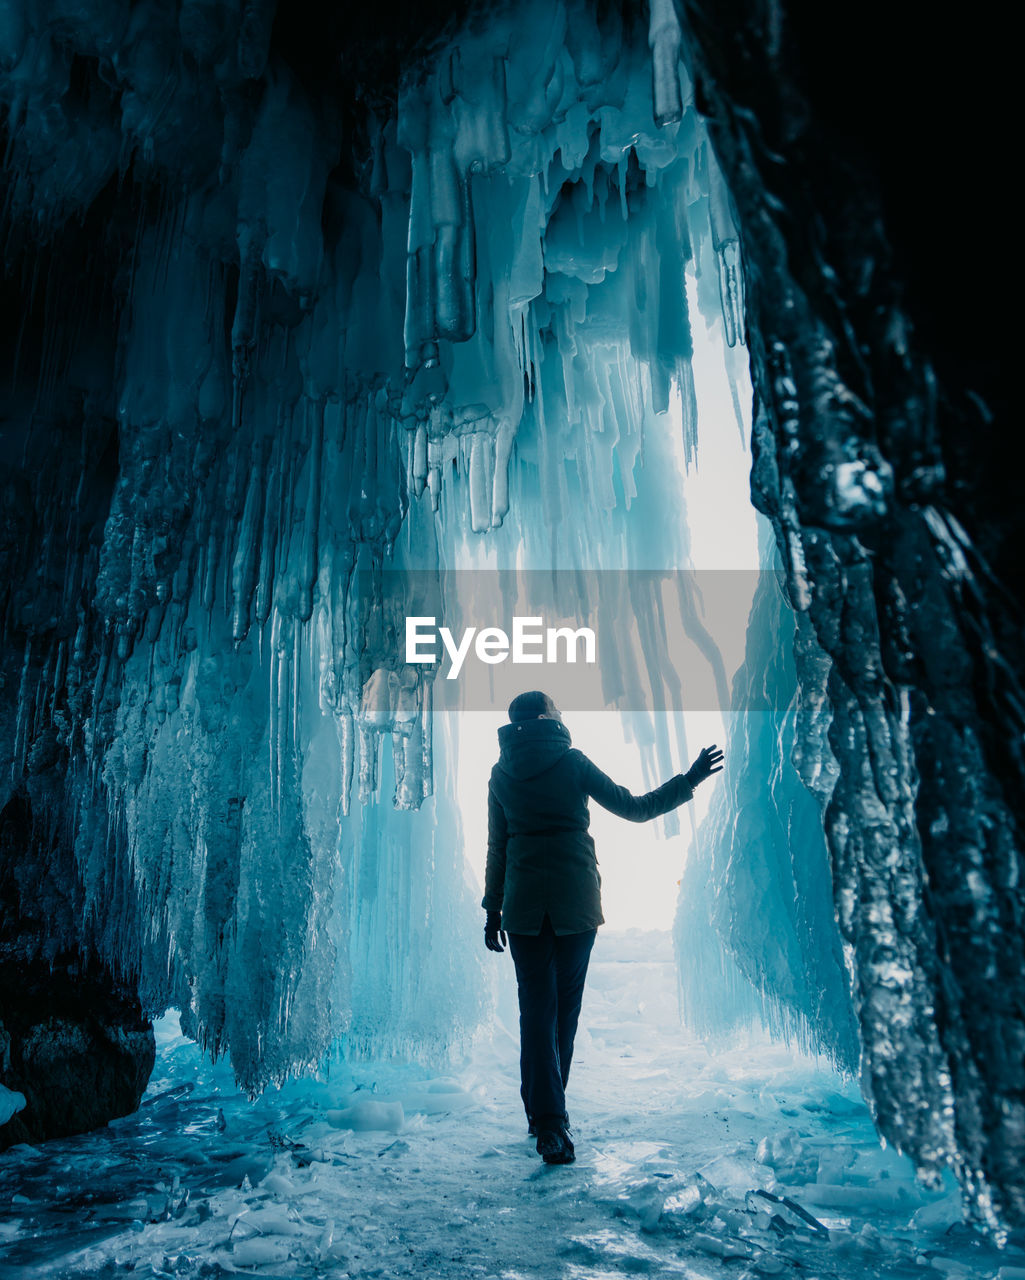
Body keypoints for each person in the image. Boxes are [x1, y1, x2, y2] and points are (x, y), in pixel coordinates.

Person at [482, 690, 724, 1165]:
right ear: (546, 716)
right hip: (575, 903)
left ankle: (545, 1119)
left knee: (535, 1012)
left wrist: (493, 910)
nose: (561, 712)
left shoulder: (500, 773)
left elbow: (498, 847)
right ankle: (551, 1118)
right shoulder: (571, 762)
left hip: (525, 907)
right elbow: (634, 808)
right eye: (557, 707)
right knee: (563, 1015)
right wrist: (689, 780)